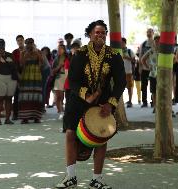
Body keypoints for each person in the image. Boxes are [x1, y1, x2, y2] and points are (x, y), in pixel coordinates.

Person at [55, 20, 126, 189]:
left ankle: (97, 179)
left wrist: (111, 103)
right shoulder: (80, 54)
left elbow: (121, 82)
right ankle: (70, 176)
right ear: (90, 34)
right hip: (78, 101)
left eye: (103, 33)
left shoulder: (114, 56)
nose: (100, 35)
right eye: (97, 32)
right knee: (71, 133)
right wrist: (86, 95)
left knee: (101, 136)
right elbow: (72, 80)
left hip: (103, 103)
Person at [0, 39, 17, 125]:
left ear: (5, 44)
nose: (1, 45)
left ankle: (7, 119)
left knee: (9, 98)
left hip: (10, 77)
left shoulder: (10, 55)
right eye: (0, 44)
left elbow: (14, 66)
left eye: (2, 44)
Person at [18, 38, 44, 124]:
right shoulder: (22, 52)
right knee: (25, 96)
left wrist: (37, 53)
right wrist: (26, 55)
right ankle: (25, 117)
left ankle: (37, 117)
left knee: (36, 95)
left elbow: (42, 63)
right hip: (26, 75)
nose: (29, 45)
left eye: (31, 43)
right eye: (28, 43)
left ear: (33, 43)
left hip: (36, 75)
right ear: (25, 44)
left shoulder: (38, 51)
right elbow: (21, 64)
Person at [62, 41, 81, 133]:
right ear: (71, 50)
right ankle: (65, 127)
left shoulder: (82, 59)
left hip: (79, 87)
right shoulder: (68, 60)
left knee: (78, 107)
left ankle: (77, 127)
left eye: (78, 49)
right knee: (68, 107)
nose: (76, 50)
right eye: (74, 49)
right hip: (70, 87)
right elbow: (67, 74)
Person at [141, 35, 160, 113]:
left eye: (159, 40)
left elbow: (174, 58)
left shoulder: (164, 51)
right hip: (153, 74)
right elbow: (142, 59)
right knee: (154, 91)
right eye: (156, 41)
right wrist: (148, 67)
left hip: (163, 75)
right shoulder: (151, 51)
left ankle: (162, 107)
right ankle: (155, 107)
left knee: (162, 92)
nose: (157, 42)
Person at [52, 44, 69, 120]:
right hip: (59, 77)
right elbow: (53, 71)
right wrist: (59, 66)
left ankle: (65, 111)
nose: (59, 50)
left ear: (64, 50)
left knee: (65, 96)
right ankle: (60, 111)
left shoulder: (68, 57)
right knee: (59, 96)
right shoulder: (56, 59)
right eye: (58, 49)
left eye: (61, 49)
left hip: (67, 77)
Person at [139, 28, 154, 108]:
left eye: (150, 32)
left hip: (153, 69)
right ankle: (144, 102)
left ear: (153, 33)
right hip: (144, 68)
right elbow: (141, 55)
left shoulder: (155, 43)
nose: (149, 33)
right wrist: (140, 67)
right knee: (143, 86)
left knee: (153, 85)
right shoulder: (143, 44)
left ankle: (153, 101)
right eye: (147, 32)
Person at [12, 35, 25, 120]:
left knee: (26, 95)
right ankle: (15, 114)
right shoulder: (14, 52)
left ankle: (25, 114)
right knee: (16, 94)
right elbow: (13, 65)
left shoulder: (28, 50)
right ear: (17, 42)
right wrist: (18, 75)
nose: (20, 42)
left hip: (27, 74)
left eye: (21, 40)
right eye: (18, 40)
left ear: (23, 41)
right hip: (17, 75)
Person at [121, 37, 135, 108]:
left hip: (128, 72)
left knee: (129, 87)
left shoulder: (129, 51)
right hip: (120, 73)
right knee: (120, 87)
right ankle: (121, 102)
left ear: (125, 43)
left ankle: (130, 101)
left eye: (122, 42)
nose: (121, 44)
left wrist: (127, 57)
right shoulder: (117, 51)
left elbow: (134, 60)